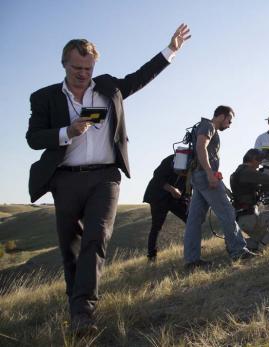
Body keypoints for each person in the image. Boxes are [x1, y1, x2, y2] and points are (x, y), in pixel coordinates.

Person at [25, 24, 191, 334]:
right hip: (65, 179)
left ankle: (84, 312)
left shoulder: (108, 88)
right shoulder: (44, 97)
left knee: (97, 236)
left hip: (105, 177)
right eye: (77, 67)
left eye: (88, 68)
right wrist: (66, 132)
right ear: (64, 64)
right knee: (70, 246)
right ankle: (76, 302)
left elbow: (140, 78)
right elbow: (33, 138)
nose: (83, 73)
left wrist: (170, 51)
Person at [183, 106, 257, 270]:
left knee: (194, 220)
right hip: (205, 176)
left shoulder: (204, 126)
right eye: (229, 120)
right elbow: (201, 147)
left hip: (198, 176)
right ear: (222, 116)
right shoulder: (209, 126)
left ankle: (191, 260)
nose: (229, 124)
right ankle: (238, 250)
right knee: (227, 212)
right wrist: (210, 173)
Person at [230, 149, 269, 252]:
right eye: (259, 161)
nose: (259, 164)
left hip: (243, 218)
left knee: (263, 237)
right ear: (253, 159)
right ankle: (263, 247)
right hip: (250, 219)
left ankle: (241, 244)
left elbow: (262, 187)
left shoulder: (238, 172)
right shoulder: (247, 172)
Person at [143, 154, 189, 261]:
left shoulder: (193, 164)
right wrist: (172, 189)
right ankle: (152, 256)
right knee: (156, 226)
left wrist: (187, 199)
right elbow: (157, 178)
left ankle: (193, 247)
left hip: (177, 198)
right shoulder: (170, 160)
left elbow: (188, 186)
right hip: (158, 196)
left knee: (191, 219)